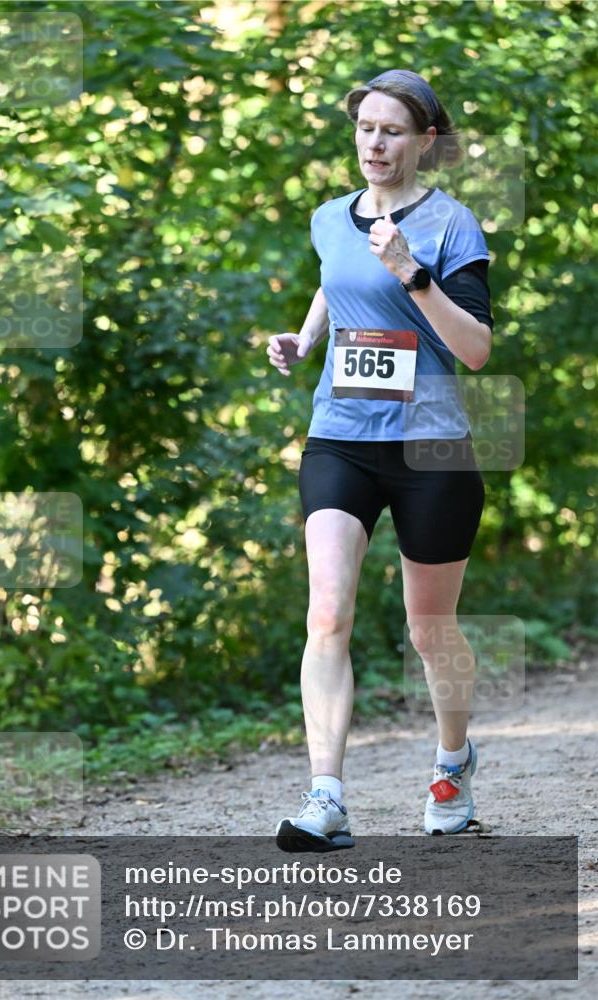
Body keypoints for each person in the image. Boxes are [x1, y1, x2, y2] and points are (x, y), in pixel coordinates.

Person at [267, 69, 494, 852]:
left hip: (429, 446)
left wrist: (411, 271)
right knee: (326, 612)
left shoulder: (452, 225)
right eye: (365, 126)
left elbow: (474, 349)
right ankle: (325, 796)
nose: (374, 142)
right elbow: (338, 285)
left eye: (391, 129)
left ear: (425, 140)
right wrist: (304, 339)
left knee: (429, 629)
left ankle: (452, 764)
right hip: (339, 437)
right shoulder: (329, 217)